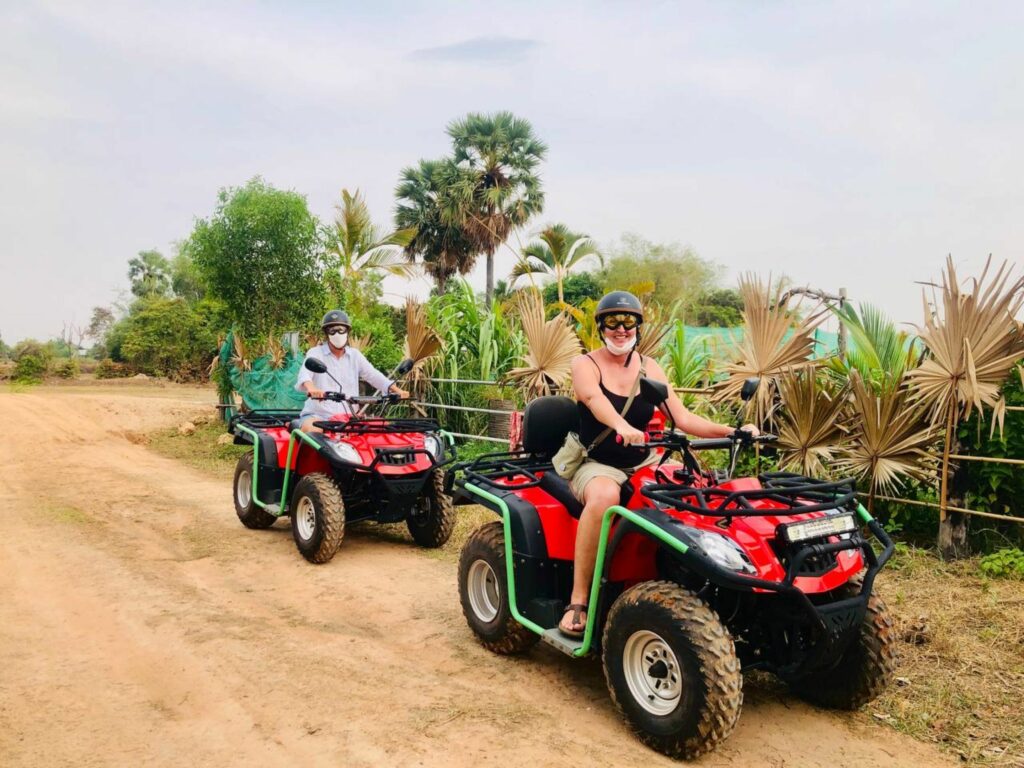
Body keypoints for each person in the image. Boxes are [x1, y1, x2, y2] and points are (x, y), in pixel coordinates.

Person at [559, 291, 758, 638]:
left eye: (628, 321)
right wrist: (621, 426)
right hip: (598, 462)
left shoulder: (650, 367)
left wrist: (734, 431)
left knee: (691, 492)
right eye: (612, 322)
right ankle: (578, 600)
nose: (621, 329)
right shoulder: (585, 364)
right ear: (601, 326)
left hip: (645, 459)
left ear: (638, 325)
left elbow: (680, 417)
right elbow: (593, 399)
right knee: (605, 497)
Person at [295, 309, 408, 432]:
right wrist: (313, 389)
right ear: (326, 334)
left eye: (341, 329)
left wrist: (397, 390)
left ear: (347, 331)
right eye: (332, 330)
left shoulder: (355, 355)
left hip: (349, 418)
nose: (337, 334)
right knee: (313, 432)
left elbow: (373, 375)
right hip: (318, 416)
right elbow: (305, 374)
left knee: (380, 432)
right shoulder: (316, 352)